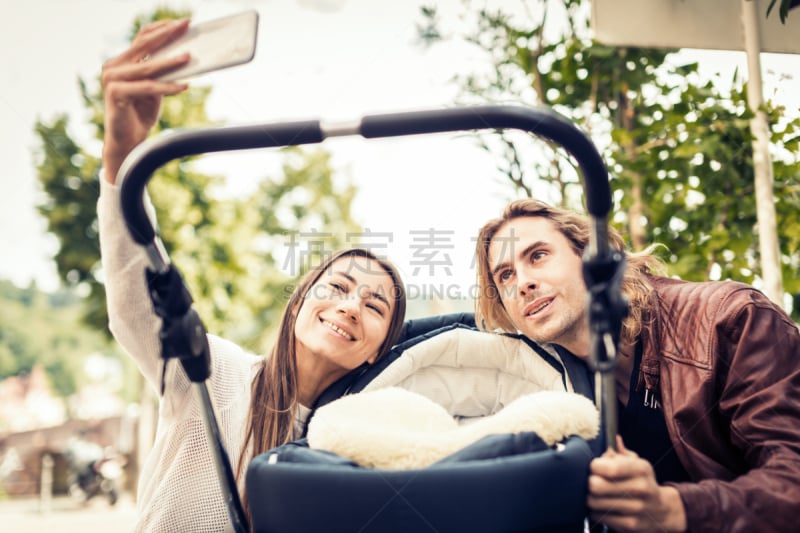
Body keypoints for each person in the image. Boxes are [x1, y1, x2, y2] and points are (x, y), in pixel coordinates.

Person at [98, 19, 407, 531]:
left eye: (375, 305)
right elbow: (135, 287)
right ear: (299, 302)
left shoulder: (356, 440)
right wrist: (121, 160)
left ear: (378, 347)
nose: (351, 306)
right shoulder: (212, 371)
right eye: (337, 287)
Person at [474, 198, 800, 533]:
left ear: (591, 257)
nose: (524, 282)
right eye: (506, 275)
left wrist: (676, 509)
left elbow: (792, 476)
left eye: (538, 255)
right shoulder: (544, 386)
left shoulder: (731, 320)